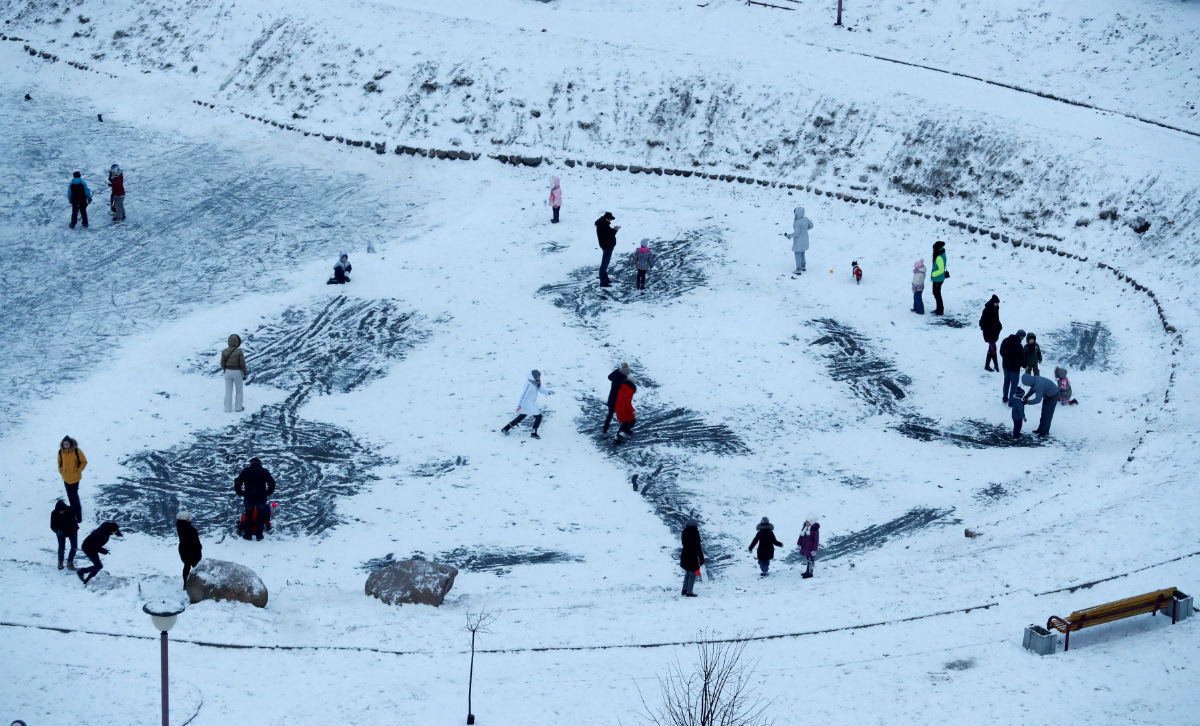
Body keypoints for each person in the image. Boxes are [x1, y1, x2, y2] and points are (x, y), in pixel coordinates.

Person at [501, 370, 554, 439]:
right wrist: (520, 405)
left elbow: (541, 389)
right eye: (538, 377)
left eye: (539, 376)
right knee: (539, 417)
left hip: (530, 404)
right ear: (534, 377)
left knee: (521, 417)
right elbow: (524, 396)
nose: (539, 378)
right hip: (527, 404)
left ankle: (505, 428)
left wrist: (548, 392)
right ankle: (533, 433)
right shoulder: (529, 384)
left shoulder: (536, 383)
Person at [234, 458, 276, 540]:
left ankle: (248, 535)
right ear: (260, 463)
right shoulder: (264, 471)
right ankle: (259, 535)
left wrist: (240, 492)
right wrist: (268, 492)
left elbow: (237, 481)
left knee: (249, 516)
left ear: (251, 463)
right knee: (260, 516)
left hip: (249, 497)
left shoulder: (246, 471)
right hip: (261, 497)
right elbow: (272, 483)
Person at [77, 521, 122, 585]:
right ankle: (82, 571)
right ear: (111, 530)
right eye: (115, 531)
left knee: (98, 565)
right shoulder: (103, 536)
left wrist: (117, 532)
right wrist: (104, 551)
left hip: (89, 543)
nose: (116, 532)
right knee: (98, 566)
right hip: (88, 548)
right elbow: (95, 546)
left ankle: (88, 579)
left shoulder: (106, 525)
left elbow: (112, 527)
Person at [57, 436, 87, 523]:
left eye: (67, 444)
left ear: (70, 444)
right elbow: (59, 463)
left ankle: (78, 515)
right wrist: (61, 471)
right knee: (70, 497)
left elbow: (84, 462)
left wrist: (78, 470)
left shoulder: (77, 451)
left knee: (74, 497)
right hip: (66, 478)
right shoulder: (60, 452)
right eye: (64, 444)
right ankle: (73, 514)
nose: (66, 445)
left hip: (75, 478)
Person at [1022, 372, 1059, 437]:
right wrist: (1028, 395)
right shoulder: (1034, 379)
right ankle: (1040, 429)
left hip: (1053, 395)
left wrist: (1027, 402)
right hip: (1047, 394)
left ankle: (1045, 432)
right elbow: (1033, 388)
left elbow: (1038, 400)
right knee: (1044, 412)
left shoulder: (1039, 385)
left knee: (1047, 414)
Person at [221, 334, 248, 413]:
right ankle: (238, 408)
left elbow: (222, 364)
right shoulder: (239, 351)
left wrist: (225, 370)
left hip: (228, 372)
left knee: (228, 390)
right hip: (237, 372)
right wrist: (245, 373)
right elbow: (242, 364)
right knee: (239, 390)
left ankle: (227, 409)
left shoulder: (224, 351)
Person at [999, 329, 1026, 403]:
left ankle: (1004, 398)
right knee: (1013, 386)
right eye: (1023, 337)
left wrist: (1006, 358)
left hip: (1005, 367)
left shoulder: (1005, 340)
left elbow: (1001, 352)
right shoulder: (1019, 346)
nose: (1023, 339)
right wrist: (1025, 366)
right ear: (1021, 336)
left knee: (1006, 383)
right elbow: (1021, 359)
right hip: (1014, 370)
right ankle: (1011, 402)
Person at [50, 500, 78, 570]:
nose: (61, 512)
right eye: (59, 511)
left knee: (74, 547)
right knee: (61, 547)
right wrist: (56, 531)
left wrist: (75, 527)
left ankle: (70, 562)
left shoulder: (71, 510)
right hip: (61, 533)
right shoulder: (54, 513)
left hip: (72, 531)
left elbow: (76, 519)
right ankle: (60, 561)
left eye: (62, 510)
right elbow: (52, 525)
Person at [176, 511, 202, 588]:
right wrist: (199, 547)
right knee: (197, 567)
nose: (189, 518)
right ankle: (199, 584)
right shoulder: (188, 528)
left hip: (183, 549)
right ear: (184, 518)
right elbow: (193, 540)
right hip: (191, 550)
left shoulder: (180, 526)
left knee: (187, 565)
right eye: (188, 517)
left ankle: (185, 584)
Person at [680, 518, 704, 597]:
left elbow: (683, 543)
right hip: (692, 555)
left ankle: (684, 589)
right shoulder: (695, 533)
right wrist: (701, 557)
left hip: (685, 554)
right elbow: (698, 547)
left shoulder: (684, 532)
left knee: (688, 572)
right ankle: (689, 592)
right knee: (692, 573)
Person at [785, 206, 813, 275]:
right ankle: (803, 266)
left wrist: (789, 235)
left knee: (797, 254)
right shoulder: (806, 219)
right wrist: (805, 229)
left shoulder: (797, 222)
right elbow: (811, 225)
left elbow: (796, 233)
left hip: (799, 241)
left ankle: (798, 269)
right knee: (802, 252)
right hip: (805, 240)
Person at [603, 362, 630, 433]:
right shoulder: (624, 379)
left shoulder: (616, 375)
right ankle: (624, 431)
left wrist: (616, 370)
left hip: (611, 398)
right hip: (618, 401)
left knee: (609, 415)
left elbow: (609, 377)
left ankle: (604, 431)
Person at [595, 212, 620, 287]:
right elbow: (609, 235)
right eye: (610, 219)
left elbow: (607, 233)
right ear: (607, 218)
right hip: (607, 246)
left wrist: (613, 230)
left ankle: (605, 279)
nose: (610, 221)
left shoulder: (602, 224)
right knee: (604, 264)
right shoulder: (603, 226)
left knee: (605, 263)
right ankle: (603, 282)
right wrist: (615, 230)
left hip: (606, 246)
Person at [979, 295, 1003, 371]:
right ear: (993, 302)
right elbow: (982, 322)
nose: (997, 304)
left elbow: (997, 319)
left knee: (991, 349)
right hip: (988, 333)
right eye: (996, 303)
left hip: (994, 331)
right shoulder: (986, 310)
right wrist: (987, 329)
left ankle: (987, 366)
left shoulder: (995, 309)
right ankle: (996, 366)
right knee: (993, 348)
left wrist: (999, 326)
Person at [613, 376, 637, 445]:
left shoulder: (622, 387)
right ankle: (618, 437)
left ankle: (625, 431)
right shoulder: (630, 390)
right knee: (628, 422)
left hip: (618, 407)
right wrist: (633, 411)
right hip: (624, 408)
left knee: (630, 421)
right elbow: (627, 402)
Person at [930, 241, 948, 315]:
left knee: (936, 294)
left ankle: (940, 310)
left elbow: (940, 270)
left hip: (938, 278)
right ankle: (939, 309)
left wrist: (933, 274)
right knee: (937, 293)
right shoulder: (942, 253)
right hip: (939, 278)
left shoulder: (939, 257)